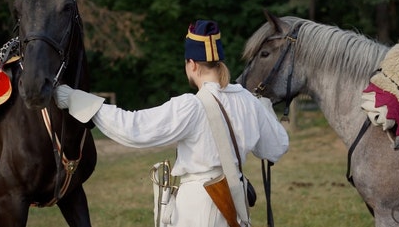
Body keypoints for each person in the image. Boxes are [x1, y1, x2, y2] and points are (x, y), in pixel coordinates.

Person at [53, 20, 289, 227]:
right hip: (234, 202)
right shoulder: (248, 100)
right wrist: (265, 109)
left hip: (199, 207)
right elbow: (276, 147)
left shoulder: (191, 106)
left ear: (192, 64)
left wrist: (77, 100)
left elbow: (134, 129)